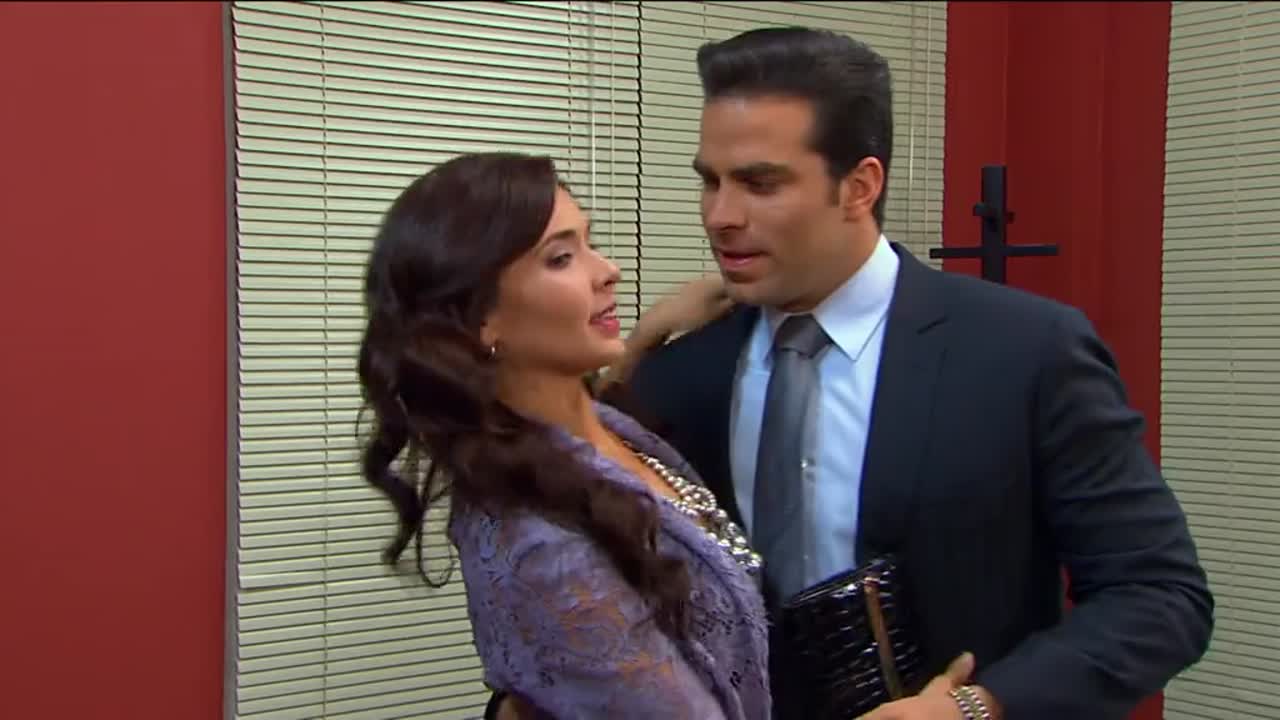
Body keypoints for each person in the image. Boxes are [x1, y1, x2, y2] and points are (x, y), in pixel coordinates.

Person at [596, 27, 1213, 720]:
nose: (720, 216)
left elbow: (1160, 595)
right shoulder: (684, 372)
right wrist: (633, 351)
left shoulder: (1024, 351)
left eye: (760, 184)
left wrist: (976, 707)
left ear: (859, 186)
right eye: (710, 181)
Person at [356, 152, 771, 720]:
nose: (608, 270)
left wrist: (646, 335)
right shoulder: (542, 552)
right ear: (482, 318)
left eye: (589, 242)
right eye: (561, 258)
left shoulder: (606, 430)